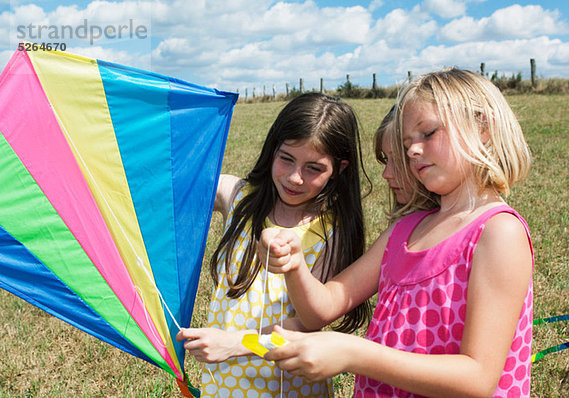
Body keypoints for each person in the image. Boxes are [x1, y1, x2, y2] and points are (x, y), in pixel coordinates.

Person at [260, 68, 534, 397]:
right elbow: (324, 306)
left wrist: (353, 353)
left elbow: (477, 378)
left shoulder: (498, 231)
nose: (413, 151)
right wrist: (294, 265)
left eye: (428, 133)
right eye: (406, 145)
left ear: (484, 127)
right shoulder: (404, 230)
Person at [176, 92, 371, 397]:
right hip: (223, 385)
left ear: (340, 169)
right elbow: (178, 184)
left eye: (314, 168)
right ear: (272, 150)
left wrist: (235, 343)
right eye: (286, 159)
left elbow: (308, 324)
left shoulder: (332, 232)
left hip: (289, 388)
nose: (295, 178)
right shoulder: (238, 197)